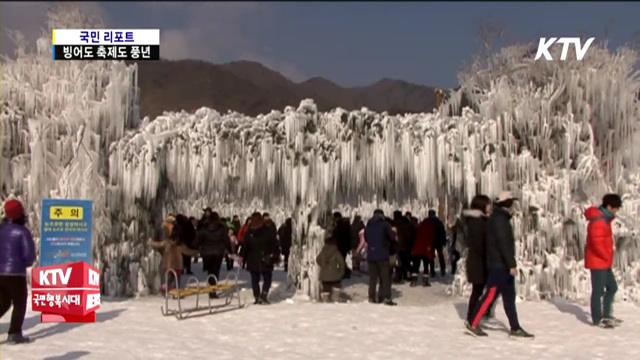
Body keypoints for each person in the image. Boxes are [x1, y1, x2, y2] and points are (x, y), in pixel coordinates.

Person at [466, 191, 533, 338]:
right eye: (511, 201)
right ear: (506, 203)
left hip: (501, 265)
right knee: (490, 295)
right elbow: (504, 244)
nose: (513, 204)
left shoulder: (499, 218)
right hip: (499, 266)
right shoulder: (499, 220)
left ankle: (515, 328)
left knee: (509, 297)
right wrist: (511, 264)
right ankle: (473, 323)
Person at [585, 193, 623, 328]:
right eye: (615, 208)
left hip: (604, 261)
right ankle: (597, 318)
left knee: (612, 287)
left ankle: (606, 315)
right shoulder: (598, 221)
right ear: (608, 206)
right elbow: (596, 243)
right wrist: (607, 255)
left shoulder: (604, 220)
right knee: (598, 290)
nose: (616, 211)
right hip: (598, 261)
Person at [0, 199, 36, 344]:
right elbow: (29, 256)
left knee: (3, 302)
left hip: (0, 273)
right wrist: (25, 263)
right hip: (16, 274)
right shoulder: (22, 232)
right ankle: (14, 333)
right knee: (20, 303)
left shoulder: (1, 229)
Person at [460, 195, 494, 327]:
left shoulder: (477, 220)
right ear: (482, 205)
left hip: (478, 261)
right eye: (488, 204)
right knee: (479, 291)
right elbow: (480, 243)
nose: (490, 207)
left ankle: (475, 316)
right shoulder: (477, 222)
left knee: (480, 290)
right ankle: (472, 318)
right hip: (478, 262)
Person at [148, 215, 199, 293]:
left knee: (171, 278)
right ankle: (173, 291)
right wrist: (195, 253)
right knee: (175, 279)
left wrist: (150, 243)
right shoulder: (178, 243)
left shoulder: (170, 242)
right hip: (177, 264)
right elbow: (187, 250)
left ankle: (167, 289)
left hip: (170, 264)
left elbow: (160, 244)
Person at [239, 212, 280, 305]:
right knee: (267, 277)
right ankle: (263, 295)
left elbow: (244, 246)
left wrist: (242, 257)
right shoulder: (268, 231)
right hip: (266, 258)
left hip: (252, 259)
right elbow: (275, 244)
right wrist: (276, 255)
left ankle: (257, 296)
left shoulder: (249, 232)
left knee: (255, 279)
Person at [364, 209, 397, 306]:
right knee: (385, 277)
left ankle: (371, 297)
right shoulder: (385, 225)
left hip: (371, 255)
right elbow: (392, 237)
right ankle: (386, 297)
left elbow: (366, 238)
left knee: (372, 278)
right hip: (382, 254)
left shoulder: (368, 225)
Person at [197, 212, 231, 298]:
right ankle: (213, 290)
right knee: (215, 271)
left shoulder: (204, 229)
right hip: (218, 252)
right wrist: (230, 250)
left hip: (206, 252)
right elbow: (226, 240)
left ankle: (211, 287)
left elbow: (198, 241)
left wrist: (194, 247)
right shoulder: (222, 229)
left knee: (210, 271)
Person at [316, 237, 346, 302]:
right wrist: (341, 271)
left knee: (326, 288)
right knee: (336, 286)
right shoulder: (336, 251)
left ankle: (325, 300)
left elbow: (318, 259)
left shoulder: (323, 251)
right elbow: (341, 262)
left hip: (324, 274)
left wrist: (323, 266)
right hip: (335, 274)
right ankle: (335, 298)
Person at [410, 216, 435, 287]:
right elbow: (431, 238)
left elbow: (415, 236)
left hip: (417, 248)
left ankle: (413, 280)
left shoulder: (419, 227)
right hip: (426, 249)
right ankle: (425, 280)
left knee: (415, 265)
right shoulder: (430, 228)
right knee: (426, 265)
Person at [393, 211, 414, 282]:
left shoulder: (394, 224)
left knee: (399, 261)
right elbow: (410, 236)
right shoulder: (406, 224)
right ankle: (408, 274)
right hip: (406, 245)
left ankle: (399, 276)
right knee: (405, 261)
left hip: (396, 245)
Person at [427, 210, 447, 278]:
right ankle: (443, 270)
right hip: (439, 242)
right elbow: (443, 232)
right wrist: (444, 241)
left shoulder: (427, 222)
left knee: (431, 257)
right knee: (440, 255)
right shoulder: (439, 222)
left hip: (431, 242)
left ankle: (432, 271)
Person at [332, 212, 352, 279]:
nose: (334, 219)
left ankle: (345, 273)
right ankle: (345, 272)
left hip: (341, 245)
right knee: (342, 260)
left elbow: (338, 235)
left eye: (334, 218)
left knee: (341, 260)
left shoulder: (340, 225)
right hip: (344, 246)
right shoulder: (345, 224)